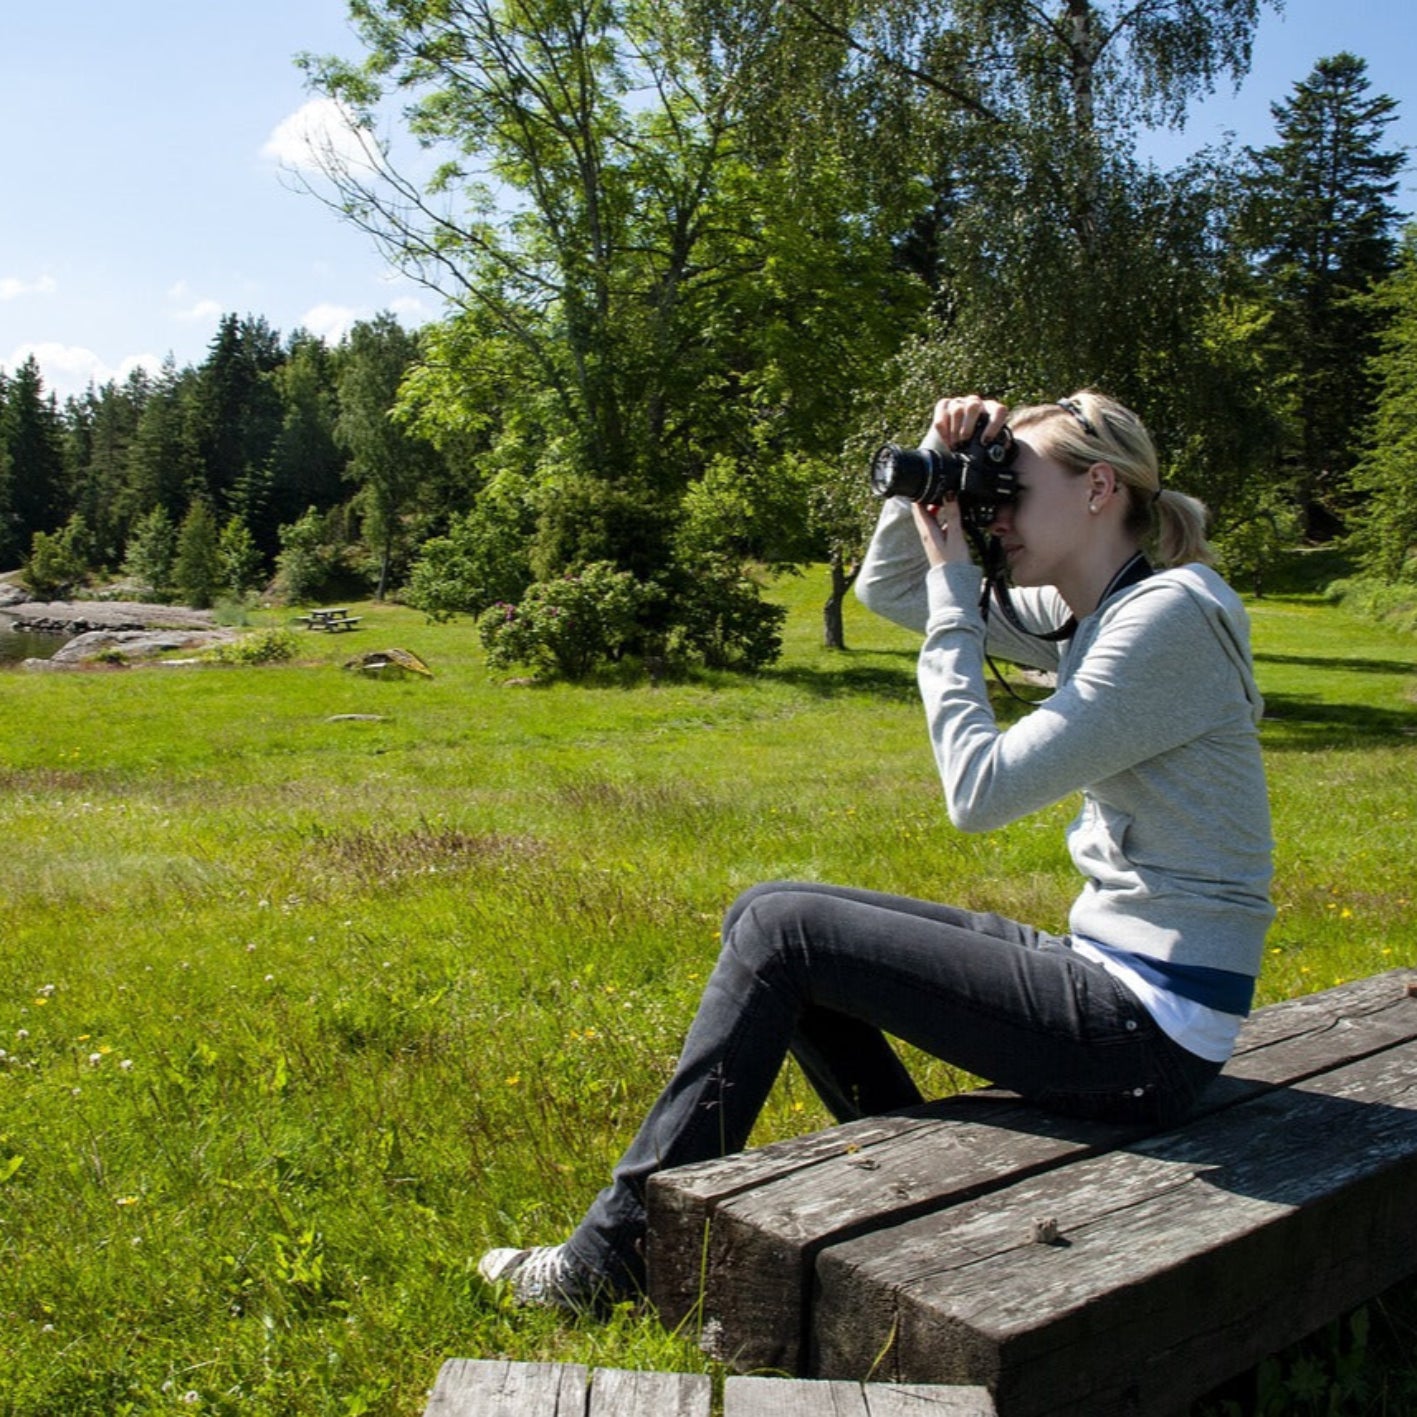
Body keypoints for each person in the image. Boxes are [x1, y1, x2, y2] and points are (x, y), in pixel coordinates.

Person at [478, 389, 1275, 1311]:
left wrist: (956, 596)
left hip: (1150, 1031)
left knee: (786, 932)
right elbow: (884, 588)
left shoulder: (1161, 619)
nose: (992, 512)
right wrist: (923, 484)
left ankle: (608, 1259)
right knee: (764, 910)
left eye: (1009, 488)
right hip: (1124, 987)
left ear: (1098, 487)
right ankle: (911, 1163)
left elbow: (979, 793)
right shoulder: (1099, 608)